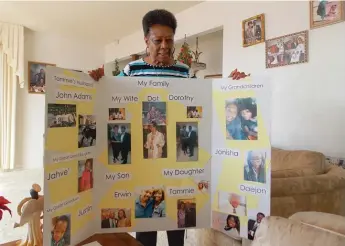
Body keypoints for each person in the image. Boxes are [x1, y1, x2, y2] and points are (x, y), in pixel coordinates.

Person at [89, 8, 247, 246]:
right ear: (146, 40)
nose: (164, 45)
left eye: (169, 40)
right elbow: (111, 95)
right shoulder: (132, 70)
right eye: (158, 40)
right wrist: (97, 81)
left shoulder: (183, 71)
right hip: (144, 163)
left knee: (176, 223)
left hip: (176, 164)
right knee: (145, 226)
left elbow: (203, 99)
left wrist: (232, 85)